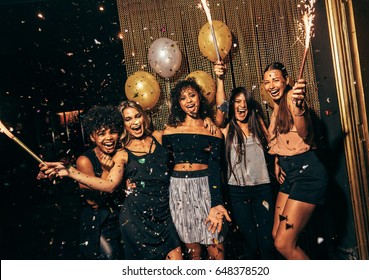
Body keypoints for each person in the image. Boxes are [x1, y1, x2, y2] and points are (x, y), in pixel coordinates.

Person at [40, 101, 183, 260]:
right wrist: (70, 171)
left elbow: (186, 139)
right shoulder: (120, 154)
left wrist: (209, 122)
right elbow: (106, 188)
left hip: (164, 214)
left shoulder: (158, 137)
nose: (134, 122)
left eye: (137, 116)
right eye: (128, 119)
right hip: (130, 220)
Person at [263, 62, 328, 259]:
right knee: (276, 235)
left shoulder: (293, 99)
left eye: (276, 80)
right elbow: (281, 139)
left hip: (307, 174)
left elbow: (304, 132)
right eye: (266, 82)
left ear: (287, 81)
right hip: (290, 175)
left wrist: (298, 107)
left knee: (283, 243)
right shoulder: (277, 107)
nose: (271, 85)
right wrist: (277, 161)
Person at [162, 78, 231, 260]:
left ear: (199, 98)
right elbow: (163, 166)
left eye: (192, 95)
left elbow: (215, 168)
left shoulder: (213, 130)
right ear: (178, 104)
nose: (189, 101)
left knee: (216, 250)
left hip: (206, 188)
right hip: (179, 190)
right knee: (194, 255)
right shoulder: (169, 131)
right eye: (183, 98)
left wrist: (216, 202)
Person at [213, 62, 275, 260]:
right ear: (232, 105)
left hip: (262, 189)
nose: (242, 105)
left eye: (245, 101)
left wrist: (277, 163)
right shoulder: (226, 130)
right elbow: (221, 108)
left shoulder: (259, 125)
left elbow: (274, 147)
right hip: (237, 192)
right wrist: (220, 80)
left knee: (267, 243)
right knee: (249, 244)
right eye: (237, 101)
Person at [75, 105, 124, 259]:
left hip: (121, 217)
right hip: (99, 222)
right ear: (92, 137)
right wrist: (105, 170)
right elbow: (94, 202)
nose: (108, 138)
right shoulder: (84, 160)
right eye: (102, 134)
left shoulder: (120, 155)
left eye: (112, 132)